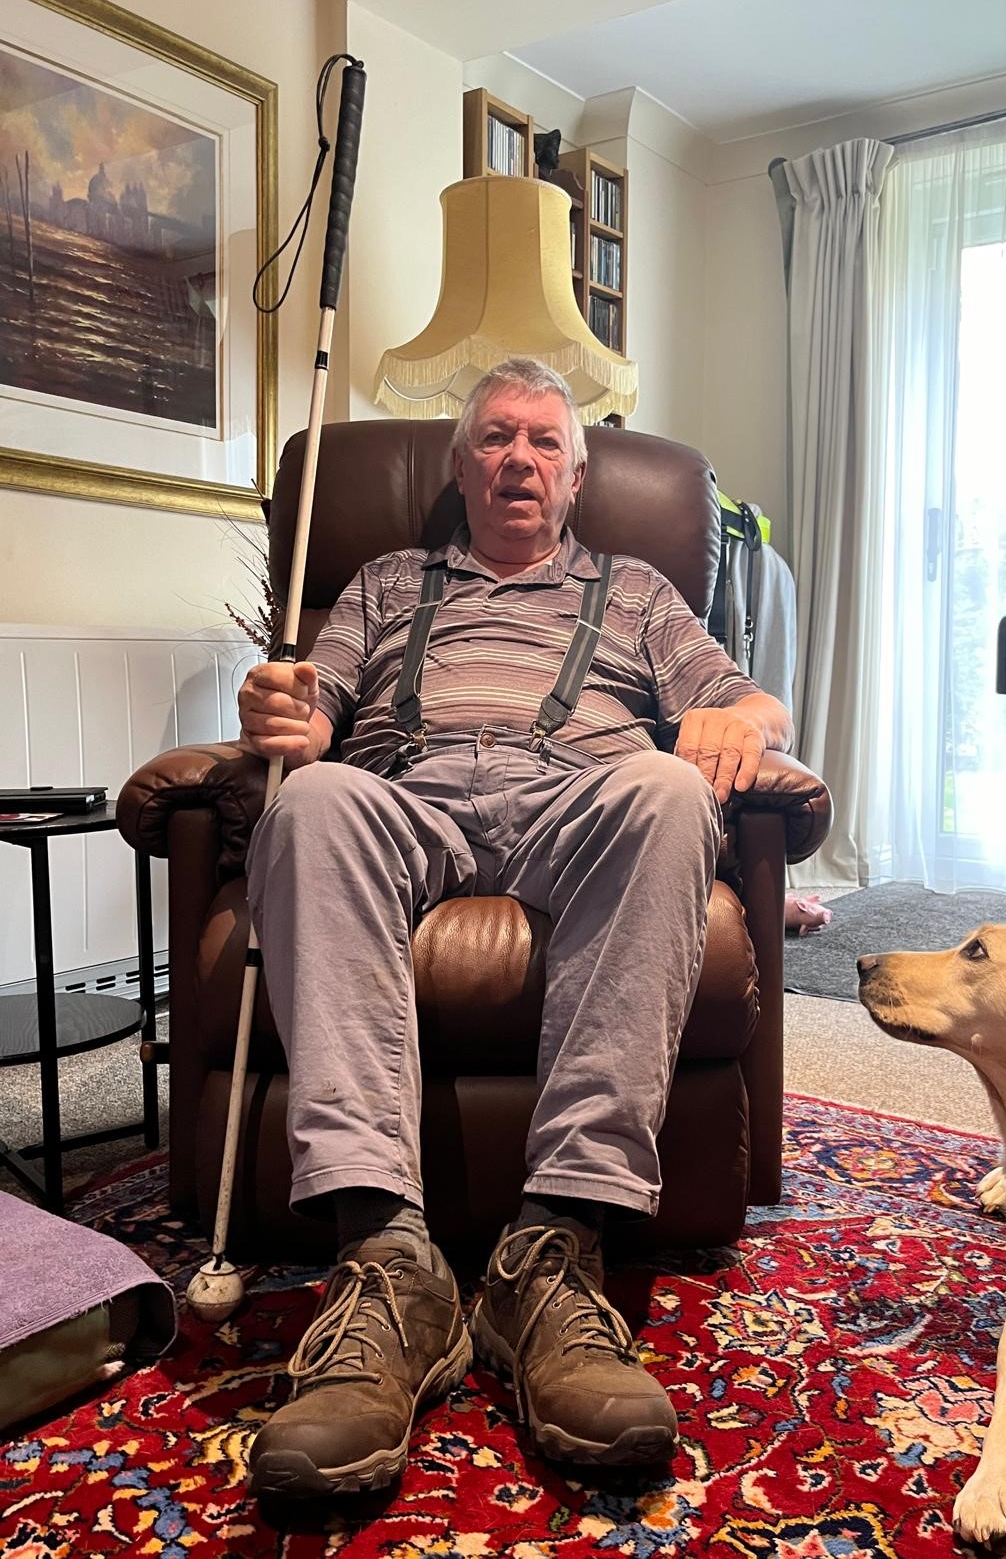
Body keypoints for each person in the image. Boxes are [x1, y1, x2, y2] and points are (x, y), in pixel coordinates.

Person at [238, 358, 794, 1499]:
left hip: (575, 803)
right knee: (314, 799)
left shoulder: (638, 589)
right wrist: (281, 711)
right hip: (409, 794)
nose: (518, 460)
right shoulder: (387, 580)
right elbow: (315, 704)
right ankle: (389, 1257)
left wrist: (739, 724)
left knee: (669, 788)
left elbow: (753, 701)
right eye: (495, 438)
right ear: (459, 467)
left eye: (543, 442)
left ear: (577, 476)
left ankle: (554, 1245)